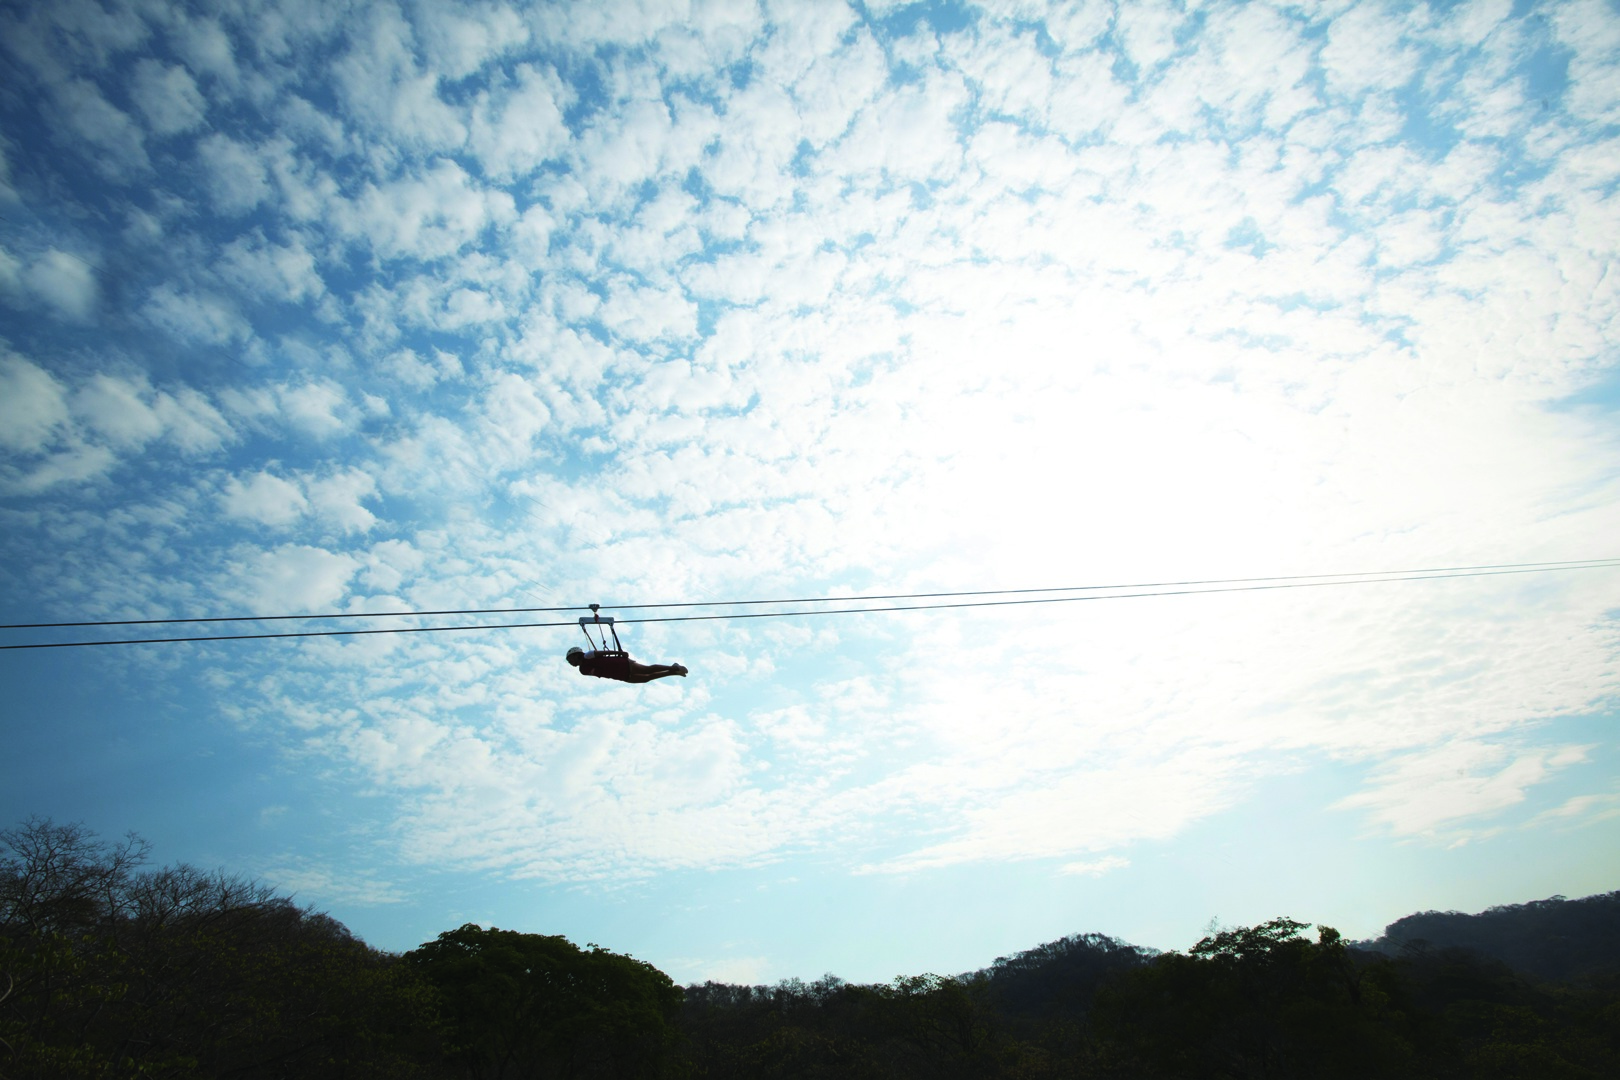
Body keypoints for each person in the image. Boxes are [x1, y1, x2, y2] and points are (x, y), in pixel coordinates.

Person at [566, 646, 687, 683]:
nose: (571, 663)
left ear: (577, 655)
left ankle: (673, 667)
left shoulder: (588, 655)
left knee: (647, 670)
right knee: (647, 678)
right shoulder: (583, 670)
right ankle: (674, 672)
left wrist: (620, 653)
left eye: (571, 659)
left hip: (622, 665)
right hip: (620, 675)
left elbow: (603, 653)